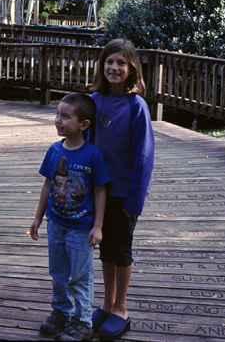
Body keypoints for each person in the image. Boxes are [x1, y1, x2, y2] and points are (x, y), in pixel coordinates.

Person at [89, 39, 155, 341]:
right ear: (102, 66)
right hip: (99, 192)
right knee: (105, 249)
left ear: (131, 69)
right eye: (109, 62)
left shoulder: (136, 106)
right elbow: (86, 146)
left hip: (124, 193)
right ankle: (106, 302)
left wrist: (135, 199)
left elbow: (144, 155)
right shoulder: (94, 100)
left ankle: (121, 309)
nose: (114, 67)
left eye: (121, 63)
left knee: (121, 250)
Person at [30, 93, 110, 341]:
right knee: (58, 272)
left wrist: (98, 226)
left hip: (80, 228)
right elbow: (47, 185)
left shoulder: (92, 155)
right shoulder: (54, 150)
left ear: (84, 124)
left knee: (80, 275)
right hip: (56, 224)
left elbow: (100, 190)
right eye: (57, 114)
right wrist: (38, 218)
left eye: (65, 116)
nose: (58, 120)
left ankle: (83, 320)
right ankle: (61, 311)